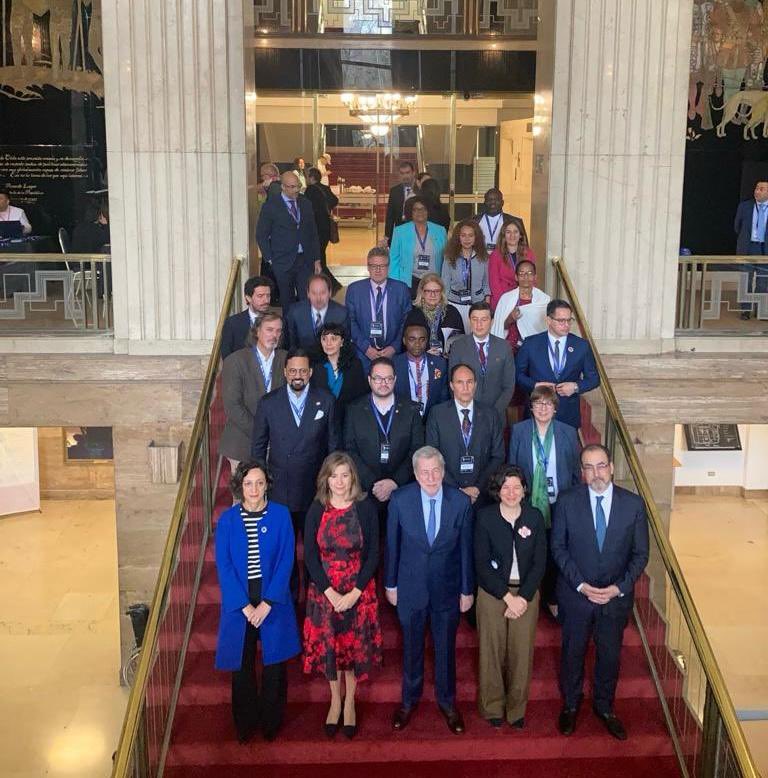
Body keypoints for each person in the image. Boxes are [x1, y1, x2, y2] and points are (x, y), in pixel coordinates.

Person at [551, 444, 649, 741]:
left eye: (601, 465)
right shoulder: (567, 502)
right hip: (576, 596)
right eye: (589, 467)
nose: (596, 473)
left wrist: (618, 588)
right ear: (582, 472)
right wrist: (581, 585)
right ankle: (571, 704)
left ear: (612, 467)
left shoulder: (633, 504)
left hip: (614, 599)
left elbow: (641, 554)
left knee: (609, 655)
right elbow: (558, 548)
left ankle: (605, 707)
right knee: (573, 652)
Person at [386, 446, 474, 735]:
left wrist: (466, 590)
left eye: (436, 470)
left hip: (447, 589)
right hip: (410, 589)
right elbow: (392, 546)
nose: (431, 477)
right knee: (411, 647)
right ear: (415, 474)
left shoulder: (460, 502)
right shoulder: (400, 500)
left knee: (445, 648)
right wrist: (390, 584)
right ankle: (408, 701)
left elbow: (465, 550)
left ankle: (447, 703)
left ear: (444, 470)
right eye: (424, 472)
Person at [214, 460, 300, 743]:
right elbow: (224, 565)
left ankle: (271, 723)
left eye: (259, 483)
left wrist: (268, 602)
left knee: (274, 666)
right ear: (240, 486)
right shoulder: (227, 520)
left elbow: (286, 560)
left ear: (267, 485)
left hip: (272, 597)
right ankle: (245, 724)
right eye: (248, 483)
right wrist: (245, 605)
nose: (254, 489)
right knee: (242, 665)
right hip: (240, 600)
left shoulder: (281, 515)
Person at [303, 452, 383, 739]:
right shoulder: (317, 508)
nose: (339, 481)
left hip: (358, 590)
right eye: (333, 476)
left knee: (352, 649)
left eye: (344, 475)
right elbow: (310, 555)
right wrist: (330, 593)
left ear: (353, 478)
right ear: (326, 479)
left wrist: (354, 593)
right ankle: (335, 700)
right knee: (332, 650)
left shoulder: (365, 508)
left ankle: (350, 702)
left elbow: (373, 553)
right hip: (325, 591)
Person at [474, 465, 546, 729]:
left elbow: (540, 562)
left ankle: (517, 710)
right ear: (497, 490)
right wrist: (507, 597)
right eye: (506, 487)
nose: (511, 492)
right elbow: (481, 564)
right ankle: (492, 706)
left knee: (521, 652)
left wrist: (523, 598)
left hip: (526, 592)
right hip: (493, 593)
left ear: (524, 490)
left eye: (517, 487)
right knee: (491, 651)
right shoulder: (485, 517)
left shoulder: (534, 517)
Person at [507, 385, 581, 618]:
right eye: (538, 403)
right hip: (528, 502)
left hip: (558, 502)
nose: (543, 408)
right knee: (529, 548)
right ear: (531, 407)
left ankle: (551, 597)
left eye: (548, 404)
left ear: (555, 408)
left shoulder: (568, 432)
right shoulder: (519, 431)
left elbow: (575, 472)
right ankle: (529, 594)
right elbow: (512, 467)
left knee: (554, 549)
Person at [251, 348, 338, 540]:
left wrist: (330, 482)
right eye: (292, 371)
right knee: (283, 546)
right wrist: (261, 482)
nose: (297, 376)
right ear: (285, 372)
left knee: (313, 544)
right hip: (280, 488)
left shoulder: (326, 400)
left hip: (314, 487)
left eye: (302, 371)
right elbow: (258, 448)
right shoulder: (268, 403)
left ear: (310, 372)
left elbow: (333, 446)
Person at [344, 357, 424, 522]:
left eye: (388, 378)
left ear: (395, 379)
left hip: (402, 489)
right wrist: (374, 484)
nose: (383, 383)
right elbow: (349, 450)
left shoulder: (411, 409)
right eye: (378, 378)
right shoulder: (354, 410)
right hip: (366, 491)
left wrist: (395, 481)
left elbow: (417, 449)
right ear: (369, 380)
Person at [426, 364, 505, 508]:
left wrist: (478, 487)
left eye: (469, 382)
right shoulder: (437, 414)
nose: (465, 387)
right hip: (448, 494)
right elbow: (432, 455)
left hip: (482, 495)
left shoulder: (490, 414)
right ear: (451, 385)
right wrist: (457, 490)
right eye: (460, 382)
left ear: (475, 384)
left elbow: (498, 455)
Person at [515, 299, 599, 430]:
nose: (566, 325)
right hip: (537, 413)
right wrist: (535, 385)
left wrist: (575, 387)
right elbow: (517, 375)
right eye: (561, 321)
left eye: (569, 320)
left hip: (568, 416)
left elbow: (594, 379)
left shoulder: (581, 345)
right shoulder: (530, 344)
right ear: (548, 320)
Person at [220, 313, 286, 470]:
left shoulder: (287, 359)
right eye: (269, 330)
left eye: (278, 331)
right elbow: (232, 406)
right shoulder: (235, 361)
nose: (274, 335)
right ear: (257, 331)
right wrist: (262, 433)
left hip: (278, 446)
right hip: (242, 444)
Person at [256, 171, 321, 314]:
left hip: (305, 260)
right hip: (282, 261)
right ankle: (289, 327)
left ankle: (304, 327)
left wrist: (317, 259)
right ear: (283, 187)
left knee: (306, 299)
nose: (296, 190)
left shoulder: (306, 203)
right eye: (292, 187)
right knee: (287, 300)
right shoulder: (271, 206)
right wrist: (270, 259)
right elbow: (261, 235)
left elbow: (313, 233)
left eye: (298, 186)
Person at [449, 302, 516, 429]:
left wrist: (493, 413)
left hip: (496, 415)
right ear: (469, 321)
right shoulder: (458, 346)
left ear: (492, 321)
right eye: (475, 319)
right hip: (466, 416)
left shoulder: (504, 347)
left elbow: (509, 386)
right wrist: (468, 410)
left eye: (484, 320)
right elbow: (452, 383)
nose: (479, 324)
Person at [345, 247, 412, 371]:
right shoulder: (354, 290)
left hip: (394, 355)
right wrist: (366, 349)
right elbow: (350, 321)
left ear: (388, 267)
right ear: (368, 267)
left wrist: (394, 347)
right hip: (362, 355)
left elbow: (406, 321)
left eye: (382, 266)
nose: (378, 270)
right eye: (373, 266)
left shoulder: (401, 289)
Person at [310, 322, 368, 428]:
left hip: (349, 423)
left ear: (342, 342)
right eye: (324, 339)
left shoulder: (355, 365)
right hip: (321, 424)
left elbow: (360, 398)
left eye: (333, 339)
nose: (328, 343)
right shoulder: (314, 367)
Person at [388, 195, 447, 298]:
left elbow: (446, 259)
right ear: (410, 212)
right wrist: (395, 284)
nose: (420, 212)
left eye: (423, 209)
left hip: (433, 281)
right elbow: (393, 260)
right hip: (409, 281)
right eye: (416, 209)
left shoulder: (440, 231)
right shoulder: (400, 231)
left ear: (428, 211)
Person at [393, 315, 449, 419]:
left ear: (427, 340)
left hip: (432, 421)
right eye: (412, 339)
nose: (417, 344)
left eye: (422, 339)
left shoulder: (440, 364)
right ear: (404, 340)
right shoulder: (394, 365)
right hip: (402, 421)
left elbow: (443, 398)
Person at [490, 260, 550, 354]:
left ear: (535, 277)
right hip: (511, 347)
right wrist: (510, 318)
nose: (526, 277)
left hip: (534, 349)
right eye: (521, 274)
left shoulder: (544, 300)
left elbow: (545, 328)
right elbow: (500, 327)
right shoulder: (506, 299)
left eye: (529, 273)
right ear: (516, 277)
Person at [441, 219, 490, 332]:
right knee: (455, 338)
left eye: (470, 235)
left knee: (475, 338)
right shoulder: (449, 257)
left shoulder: (483, 258)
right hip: (454, 305)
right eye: (463, 235)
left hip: (477, 306)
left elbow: (486, 284)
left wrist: (486, 306)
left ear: (476, 238)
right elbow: (445, 283)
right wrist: (445, 306)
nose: (467, 239)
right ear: (458, 237)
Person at [285, 273, 348, 350]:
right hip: (302, 356)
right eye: (314, 293)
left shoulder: (342, 314)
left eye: (322, 293)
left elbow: (345, 345)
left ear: (330, 293)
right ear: (308, 293)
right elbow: (291, 344)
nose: (318, 298)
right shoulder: (295, 312)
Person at [734, 180, 768, 319]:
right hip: (748, 248)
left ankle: (760, 310)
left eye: (761, 189)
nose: (757, 191)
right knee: (745, 280)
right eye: (756, 188)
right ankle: (745, 310)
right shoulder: (745, 206)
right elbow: (737, 226)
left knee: (763, 281)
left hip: (764, 249)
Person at [304, 167, 342, 294]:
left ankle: (331, 284)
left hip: (316, 228)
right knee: (321, 255)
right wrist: (326, 208)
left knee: (317, 258)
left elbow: (307, 208)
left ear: (311, 178)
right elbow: (335, 200)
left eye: (307, 176)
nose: (306, 179)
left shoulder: (310, 190)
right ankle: (327, 284)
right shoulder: (325, 188)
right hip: (326, 226)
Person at [488, 218, 537, 312]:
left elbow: (533, 280)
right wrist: (506, 304)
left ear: (520, 235)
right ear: (503, 235)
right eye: (508, 232)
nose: (512, 236)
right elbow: (494, 284)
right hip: (502, 301)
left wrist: (528, 299)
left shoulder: (529, 253)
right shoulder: (495, 255)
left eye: (515, 232)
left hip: (524, 300)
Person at [221, 276, 274, 360]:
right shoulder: (233, 323)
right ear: (248, 298)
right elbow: (227, 357)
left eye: (268, 296)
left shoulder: (278, 322)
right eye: (260, 296)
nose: (266, 300)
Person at [412, 273, 465, 357]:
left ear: (441, 292)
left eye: (436, 291)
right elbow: (408, 343)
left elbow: (461, 340)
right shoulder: (414, 313)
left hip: (447, 359)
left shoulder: (452, 312)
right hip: (420, 358)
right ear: (422, 292)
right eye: (428, 291)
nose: (432, 295)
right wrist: (424, 353)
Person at [472, 188, 524, 255]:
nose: (492, 202)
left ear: (502, 203)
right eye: (489, 199)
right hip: (479, 260)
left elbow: (524, 248)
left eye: (496, 200)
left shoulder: (515, 222)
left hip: (506, 260)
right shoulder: (473, 221)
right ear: (484, 202)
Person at [385, 160, 417, 244]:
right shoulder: (394, 191)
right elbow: (390, 217)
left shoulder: (420, 190)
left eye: (407, 173)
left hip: (417, 232)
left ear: (413, 173)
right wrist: (387, 237)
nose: (405, 176)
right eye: (402, 173)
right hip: (400, 232)